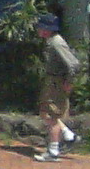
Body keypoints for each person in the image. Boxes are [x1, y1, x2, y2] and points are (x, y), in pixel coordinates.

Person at [33, 13, 82, 161]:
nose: (38, 29)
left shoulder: (56, 43)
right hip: (51, 81)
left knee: (51, 116)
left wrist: (69, 81)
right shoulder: (51, 41)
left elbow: (74, 64)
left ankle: (53, 151)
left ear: (47, 29)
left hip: (56, 82)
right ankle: (68, 135)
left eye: (40, 27)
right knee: (45, 111)